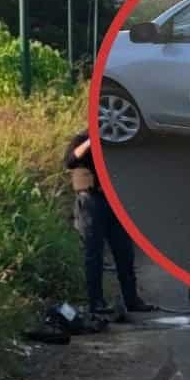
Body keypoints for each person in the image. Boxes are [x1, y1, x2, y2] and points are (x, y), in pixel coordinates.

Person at [63, 130, 156, 315]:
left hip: (115, 201)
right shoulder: (82, 139)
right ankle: (96, 302)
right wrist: (91, 142)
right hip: (90, 201)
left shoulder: (116, 141)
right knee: (93, 254)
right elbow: (70, 161)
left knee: (124, 253)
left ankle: (132, 300)